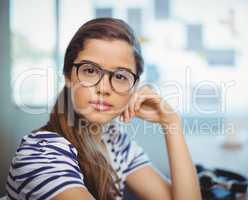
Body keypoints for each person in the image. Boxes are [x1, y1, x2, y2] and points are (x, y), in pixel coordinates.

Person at [6, 18, 201, 200]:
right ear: (67, 75)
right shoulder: (41, 153)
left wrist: (171, 122)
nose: (104, 88)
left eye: (120, 76)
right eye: (90, 71)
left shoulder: (115, 140)